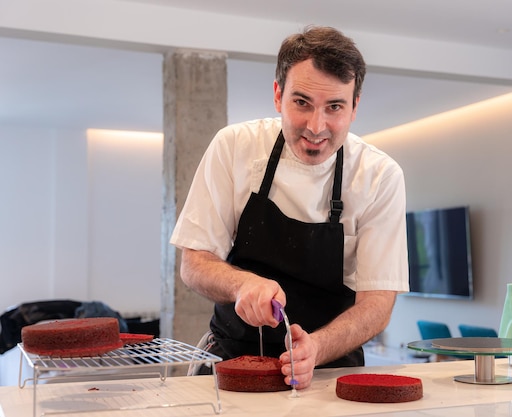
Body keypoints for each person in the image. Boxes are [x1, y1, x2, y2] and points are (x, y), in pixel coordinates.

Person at [170, 25, 409, 389]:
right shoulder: (234, 147)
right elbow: (194, 263)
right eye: (302, 103)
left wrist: (317, 347)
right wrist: (241, 285)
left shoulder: (380, 176)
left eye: (334, 107)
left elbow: (377, 303)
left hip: (331, 371)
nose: (316, 126)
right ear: (278, 94)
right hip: (230, 362)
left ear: (355, 107)